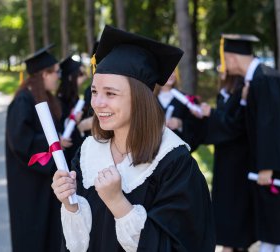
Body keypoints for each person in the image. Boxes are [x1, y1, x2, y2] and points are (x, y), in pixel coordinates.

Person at [51, 25, 215, 252]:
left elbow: (184, 246)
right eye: (95, 92)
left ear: (139, 100)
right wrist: (70, 206)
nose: (97, 103)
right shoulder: (88, 152)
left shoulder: (174, 164)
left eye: (111, 93)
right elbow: (78, 245)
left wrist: (118, 203)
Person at [221, 34, 280, 252]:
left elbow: (270, 126)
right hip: (276, 165)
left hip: (277, 168)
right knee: (272, 226)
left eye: (226, 59)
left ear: (233, 58)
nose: (226, 65)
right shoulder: (261, 77)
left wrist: (266, 166)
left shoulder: (264, 80)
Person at [5, 45, 70, 252]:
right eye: (56, 72)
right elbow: (20, 141)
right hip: (29, 183)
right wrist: (52, 143)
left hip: (46, 179)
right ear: (44, 74)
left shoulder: (46, 98)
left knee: (50, 230)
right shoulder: (23, 100)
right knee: (32, 232)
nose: (58, 77)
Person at [199, 70, 256, 252]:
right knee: (224, 202)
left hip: (238, 159)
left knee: (234, 202)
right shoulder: (225, 92)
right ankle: (228, 243)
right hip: (224, 157)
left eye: (223, 67)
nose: (219, 71)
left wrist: (212, 113)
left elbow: (235, 125)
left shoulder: (241, 92)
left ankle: (232, 244)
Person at [154, 71, 206, 152]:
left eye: (173, 71)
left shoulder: (185, 100)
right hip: (156, 150)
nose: (171, 74)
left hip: (178, 150)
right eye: (168, 70)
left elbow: (196, 125)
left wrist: (180, 124)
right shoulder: (150, 100)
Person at [57, 55, 87, 166]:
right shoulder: (60, 101)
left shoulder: (75, 97)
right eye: (80, 74)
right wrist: (72, 119)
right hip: (69, 154)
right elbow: (61, 130)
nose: (84, 77)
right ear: (70, 77)